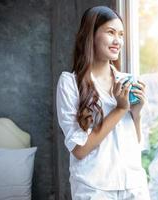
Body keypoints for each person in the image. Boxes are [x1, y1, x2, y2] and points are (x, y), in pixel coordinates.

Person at [56, 6, 151, 200]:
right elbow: (79, 150)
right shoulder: (69, 83)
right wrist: (120, 109)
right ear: (90, 35)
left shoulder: (127, 82)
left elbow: (137, 144)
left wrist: (137, 113)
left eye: (121, 35)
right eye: (110, 32)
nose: (118, 41)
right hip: (94, 189)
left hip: (134, 187)